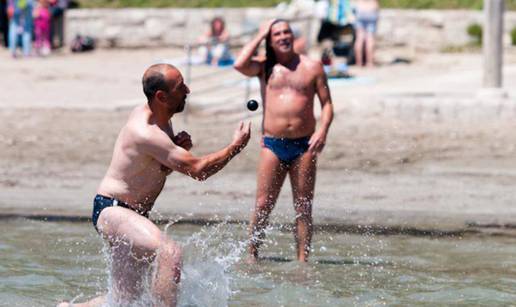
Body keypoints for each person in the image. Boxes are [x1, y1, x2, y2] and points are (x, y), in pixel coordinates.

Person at [58, 64, 251, 307]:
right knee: (170, 253)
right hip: (113, 209)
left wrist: (171, 150)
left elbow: (153, 169)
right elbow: (199, 170)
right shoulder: (145, 131)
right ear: (161, 96)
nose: (188, 90)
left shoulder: (161, 120)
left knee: (125, 301)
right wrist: (235, 147)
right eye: (180, 88)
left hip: (134, 214)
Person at [234, 20, 334, 263]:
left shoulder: (312, 67)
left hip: (304, 146)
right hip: (272, 144)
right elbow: (239, 64)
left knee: (303, 207)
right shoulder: (264, 67)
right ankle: (252, 255)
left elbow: (327, 104)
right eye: (277, 34)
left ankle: (302, 261)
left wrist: (323, 130)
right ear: (271, 40)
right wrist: (260, 34)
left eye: (286, 32)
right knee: (262, 203)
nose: (283, 37)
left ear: (293, 35)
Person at [354, 0, 379, 67]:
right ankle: (370, 63)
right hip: (372, 9)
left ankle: (359, 63)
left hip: (360, 9)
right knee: (370, 39)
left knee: (359, 38)